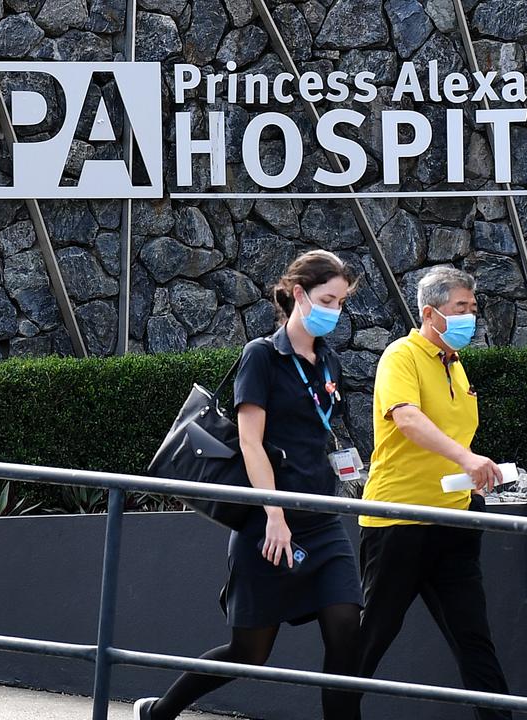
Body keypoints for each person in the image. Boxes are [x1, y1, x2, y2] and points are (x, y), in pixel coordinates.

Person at [135, 250, 363, 720]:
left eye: (340, 303)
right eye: (327, 299)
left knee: (345, 633)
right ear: (299, 295)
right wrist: (274, 515)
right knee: (249, 653)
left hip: (322, 522)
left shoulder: (330, 362)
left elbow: (318, 435)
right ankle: (159, 712)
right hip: (267, 526)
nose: (334, 311)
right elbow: (251, 443)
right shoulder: (261, 355)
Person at [355, 266, 511, 720]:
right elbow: (406, 418)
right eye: (461, 308)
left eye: (473, 308)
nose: (471, 316)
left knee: (474, 640)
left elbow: (451, 435)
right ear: (430, 312)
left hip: (454, 522)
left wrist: (476, 471)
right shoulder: (400, 356)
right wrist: (467, 459)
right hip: (398, 522)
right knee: (370, 639)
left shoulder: (457, 366)